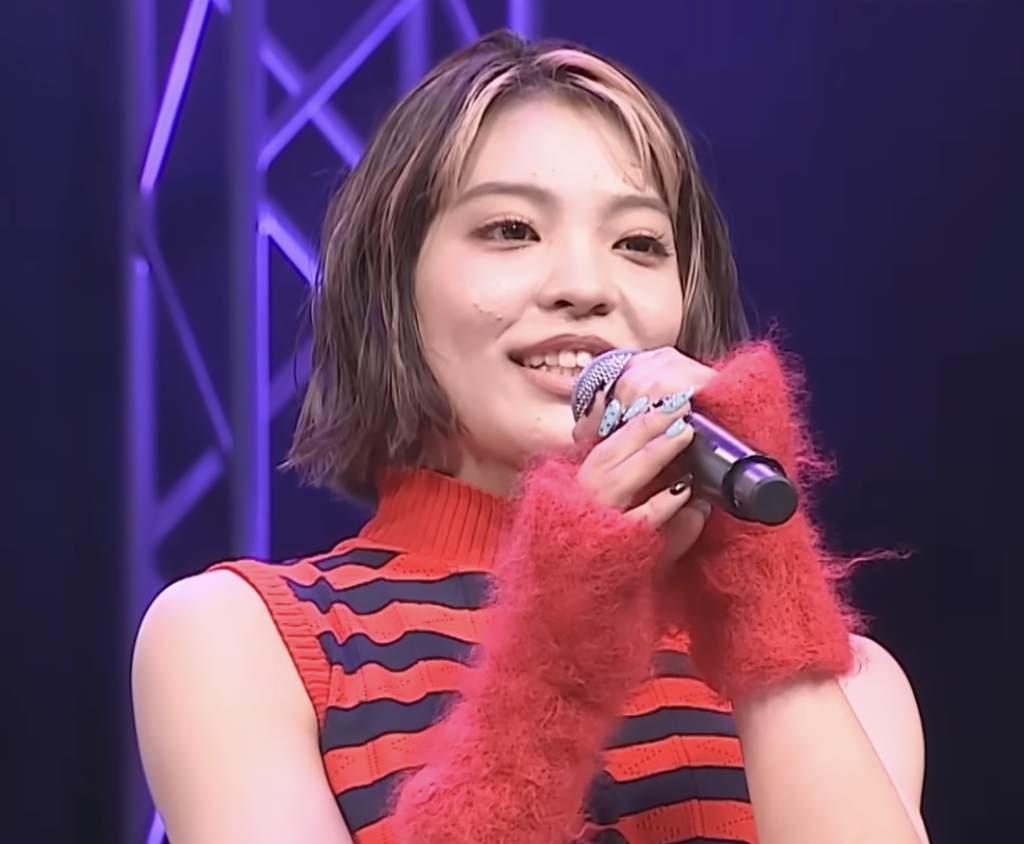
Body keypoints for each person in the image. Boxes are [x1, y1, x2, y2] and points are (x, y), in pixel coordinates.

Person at [132, 30, 930, 844]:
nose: (585, 287)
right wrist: (556, 658)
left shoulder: (852, 686)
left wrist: (764, 592)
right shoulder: (245, 641)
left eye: (639, 244)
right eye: (511, 230)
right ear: (393, 288)